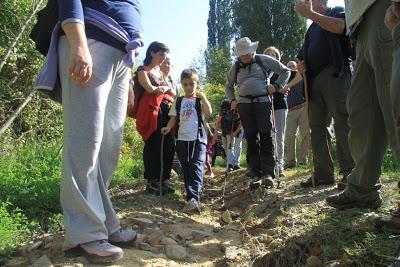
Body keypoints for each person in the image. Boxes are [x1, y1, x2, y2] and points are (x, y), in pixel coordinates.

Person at [56, 0, 143, 263]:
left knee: (108, 147)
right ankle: (84, 232)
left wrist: (128, 77)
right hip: (91, 40)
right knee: (85, 141)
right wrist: (78, 44)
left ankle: (103, 223)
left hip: (121, 56)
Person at [326, 0, 400, 212]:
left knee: (395, 106)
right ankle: (362, 189)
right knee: (361, 113)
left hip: (384, 9)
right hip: (360, 27)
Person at [294, 0, 355, 189]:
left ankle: (350, 173)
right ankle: (322, 173)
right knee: (317, 128)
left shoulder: (336, 11)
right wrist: (299, 65)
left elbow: (340, 27)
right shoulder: (311, 29)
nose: (306, 2)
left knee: (342, 121)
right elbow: (300, 55)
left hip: (334, 73)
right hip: (313, 82)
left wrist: (311, 15)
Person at [225, 37, 290, 189]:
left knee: (266, 135)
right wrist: (232, 100)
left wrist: (276, 86)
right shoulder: (236, 66)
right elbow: (228, 86)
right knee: (251, 136)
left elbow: (285, 71)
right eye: (242, 55)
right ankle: (254, 170)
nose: (245, 57)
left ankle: (268, 172)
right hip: (244, 105)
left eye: (247, 53)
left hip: (262, 103)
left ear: (253, 50)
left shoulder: (264, 60)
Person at [161, 68, 212, 213]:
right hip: (182, 139)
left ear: (197, 83)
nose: (188, 87)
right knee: (187, 167)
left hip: (198, 138)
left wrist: (203, 97)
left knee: (196, 166)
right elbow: (174, 118)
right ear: (182, 85)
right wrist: (168, 128)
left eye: (191, 84)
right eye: (185, 85)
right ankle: (191, 196)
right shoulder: (179, 101)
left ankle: (193, 198)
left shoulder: (199, 100)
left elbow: (208, 113)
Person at [135, 42, 176, 195]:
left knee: (169, 144)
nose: (163, 58)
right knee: (154, 143)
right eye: (161, 55)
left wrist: (164, 88)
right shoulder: (142, 70)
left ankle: (164, 178)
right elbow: (150, 89)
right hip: (151, 111)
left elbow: (169, 89)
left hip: (166, 110)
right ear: (152, 53)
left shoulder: (160, 72)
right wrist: (163, 89)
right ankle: (152, 180)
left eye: (165, 55)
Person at [263, 46, 288, 177]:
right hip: (266, 106)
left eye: (275, 55)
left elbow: (285, 86)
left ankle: (280, 166)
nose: (273, 57)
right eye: (270, 54)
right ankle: (270, 165)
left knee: (279, 136)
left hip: (280, 105)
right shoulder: (262, 71)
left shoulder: (281, 71)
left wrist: (279, 88)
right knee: (269, 136)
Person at [284, 61, 310, 169]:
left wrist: (307, 104)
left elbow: (308, 91)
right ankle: (290, 161)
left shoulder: (302, 78)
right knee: (289, 136)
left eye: (293, 66)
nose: (291, 68)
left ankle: (303, 160)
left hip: (303, 108)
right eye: (289, 66)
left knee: (305, 134)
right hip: (289, 111)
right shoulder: (284, 81)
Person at [217, 99, 243, 172]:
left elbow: (241, 122)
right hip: (228, 129)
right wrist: (226, 131)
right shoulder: (225, 111)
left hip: (239, 128)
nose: (234, 104)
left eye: (236, 102)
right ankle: (230, 164)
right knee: (230, 146)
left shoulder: (240, 110)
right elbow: (220, 122)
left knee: (238, 145)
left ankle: (236, 164)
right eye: (233, 102)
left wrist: (236, 132)